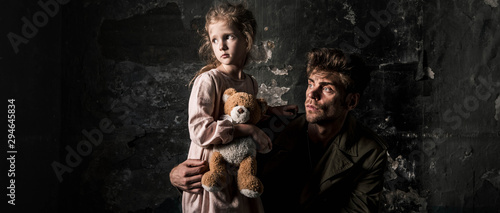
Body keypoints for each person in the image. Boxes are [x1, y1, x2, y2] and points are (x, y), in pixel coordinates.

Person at [179, 2, 297, 213]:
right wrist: (249, 130)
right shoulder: (208, 81)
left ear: (246, 38)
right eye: (215, 40)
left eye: (228, 37)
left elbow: (243, 112)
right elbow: (199, 131)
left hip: (238, 166)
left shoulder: (250, 82)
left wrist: (271, 111)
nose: (221, 46)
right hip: (212, 168)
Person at [258, 48, 388, 212]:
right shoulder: (273, 129)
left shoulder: (370, 152)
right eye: (311, 84)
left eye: (327, 89)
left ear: (351, 101)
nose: (311, 94)